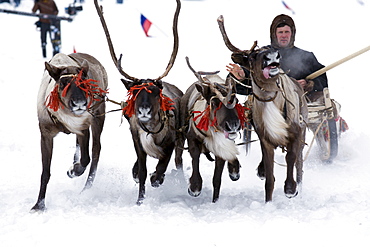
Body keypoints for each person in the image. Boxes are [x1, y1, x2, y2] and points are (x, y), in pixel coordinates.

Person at [227, 14, 328, 103]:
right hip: (268, 107)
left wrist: (309, 84)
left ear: (292, 33)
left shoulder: (307, 57)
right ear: (274, 34)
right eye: (280, 32)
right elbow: (249, 82)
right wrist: (242, 77)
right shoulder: (262, 56)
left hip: (302, 106)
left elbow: (323, 80)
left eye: (287, 32)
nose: (284, 35)